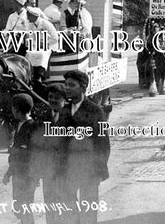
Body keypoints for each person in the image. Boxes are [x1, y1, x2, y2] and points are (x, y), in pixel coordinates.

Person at [57, 70, 110, 224]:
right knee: (68, 211)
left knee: (88, 212)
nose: (67, 88)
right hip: (68, 169)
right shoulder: (63, 111)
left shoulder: (95, 111)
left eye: (72, 85)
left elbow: (103, 144)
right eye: (66, 85)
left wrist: (100, 170)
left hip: (89, 170)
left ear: (83, 87)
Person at [29, 83, 67, 224]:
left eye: (56, 98)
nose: (52, 100)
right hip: (48, 172)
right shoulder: (42, 117)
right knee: (50, 205)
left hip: (66, 172)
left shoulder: (71, 118)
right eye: (50, 97)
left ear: (64, 99)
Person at [3, 93, 37, 224]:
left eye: (12, 108)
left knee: (25, 207)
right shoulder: (19, 125)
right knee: (19, 207)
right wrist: (9, 173)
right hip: (18, 174)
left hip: (27, 175)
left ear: (16, 110)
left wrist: (17, 150)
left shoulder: (32, 127)